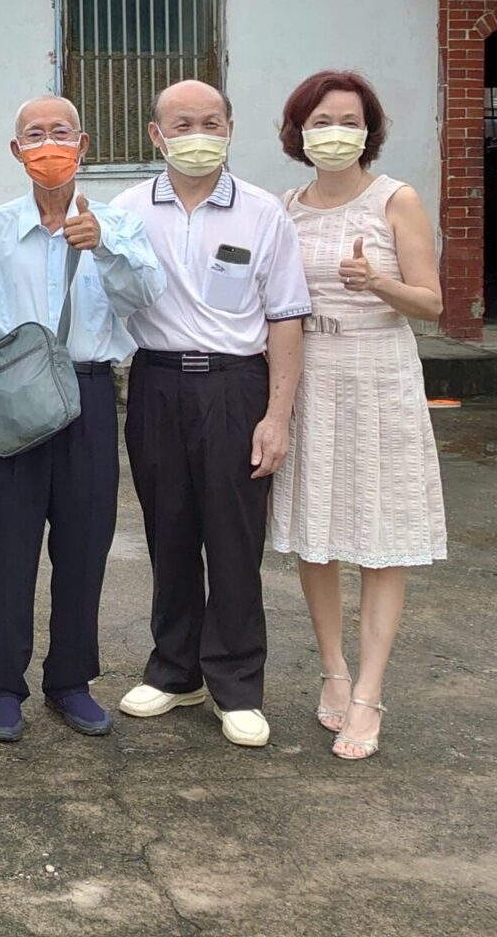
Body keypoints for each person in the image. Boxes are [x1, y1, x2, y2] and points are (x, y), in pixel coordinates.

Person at [0, 97, 165, 741]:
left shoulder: (117, 224)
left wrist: (106, 249)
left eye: (61, 133)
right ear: (16, 150)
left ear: (83, 143)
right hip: (11, 398)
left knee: (84, 547)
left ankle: (71, 680)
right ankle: (1, 686)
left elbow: (145, 299)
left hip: (88, 395)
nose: (49, 145)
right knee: (7, 551)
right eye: (34, 135)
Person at [113, 79, 309, 748]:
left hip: (235, 386)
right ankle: (175, 671)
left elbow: (286, 317)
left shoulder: (261, 212)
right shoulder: (128, 210)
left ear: (229, 128)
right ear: (156, 135)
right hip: (156, 382)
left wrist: (277, 416)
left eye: (211, 122)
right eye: (182, 124)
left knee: (232, 538)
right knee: (167, 531)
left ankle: (237, 685)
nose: (198, 136)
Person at [271, 71, 446, 761]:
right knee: (316, 536)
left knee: (380, 537)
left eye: (349, 120)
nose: (335, 133)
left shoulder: (395, 199)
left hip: (378, 376)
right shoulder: (285, 207)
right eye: (321, 121)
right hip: (311, 377)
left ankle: (370, 693)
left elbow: (432, 303)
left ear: (369, 130)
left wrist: (377, 282)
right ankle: (334, 670)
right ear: (298, 133)